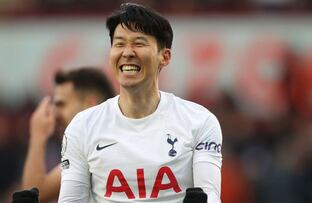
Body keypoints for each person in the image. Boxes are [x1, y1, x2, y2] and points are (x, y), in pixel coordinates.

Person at [58, 3, 222, 203]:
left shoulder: (200, 122)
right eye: (119, 44)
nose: (127, 52)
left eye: (139, 43)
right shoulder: (82, 126)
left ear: (165, 56)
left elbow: (210, 196)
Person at [22, 67, 115, 202]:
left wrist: (38, 136)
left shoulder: (96, 150)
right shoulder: (90, 146)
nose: (54, 114)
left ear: (90, 105)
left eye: (61, 104)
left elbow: (34, 195)